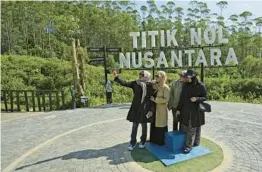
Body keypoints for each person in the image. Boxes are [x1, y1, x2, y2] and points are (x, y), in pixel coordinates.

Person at [113, 70, 152, 151]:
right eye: (140, 74)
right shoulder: (135, 83)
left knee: (144, 126)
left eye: (142, 74)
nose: (140, 76)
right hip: (136, 108)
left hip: (145, 108)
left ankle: (143, 141)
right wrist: (116, 77)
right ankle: (133, 142)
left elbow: (152, 98)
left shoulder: (150, 85)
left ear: (146, 76)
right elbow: (125, 83)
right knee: (135, 126)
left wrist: (151, 110)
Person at [177, 69, 207, 153]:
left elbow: (205, 97)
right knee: (188, 127)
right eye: (186, 77)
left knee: (194, 127)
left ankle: (189, 146)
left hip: (196, 111)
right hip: (185, 110)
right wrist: (178, 109)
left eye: (188, 77)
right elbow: (181, 99)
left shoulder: (200, 85)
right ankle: (192, 143)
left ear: (193, 77)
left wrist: (196, 98)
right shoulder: (185, 85)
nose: (186, 78)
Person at [150, 71, 170, 146]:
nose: (156, 78)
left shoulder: (165, 87)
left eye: (158, 76)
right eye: (156, 76)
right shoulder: (155, 85)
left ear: (162, 77)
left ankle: (161, 141)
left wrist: (155, 99)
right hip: (154, 109)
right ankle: (153, 140)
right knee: (154, 124)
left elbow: (166, 99)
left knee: (161, 125)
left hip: (161, 109)